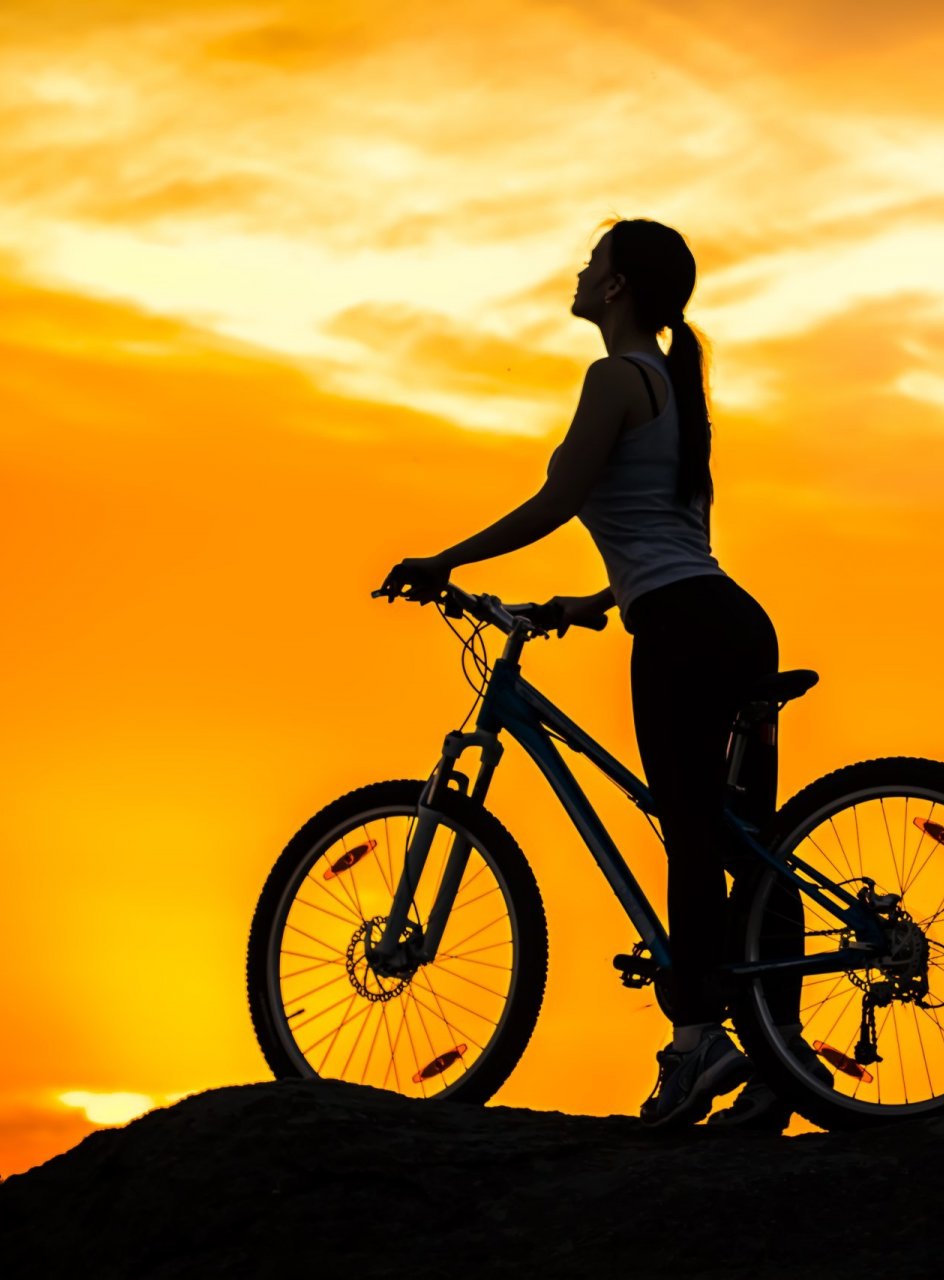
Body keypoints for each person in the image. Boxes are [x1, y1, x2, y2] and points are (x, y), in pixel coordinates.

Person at [379, 218, 811, 1130]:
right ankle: (784, 1061)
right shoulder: (675, 387)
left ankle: (696, 1046)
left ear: (616, 290)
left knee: (695, 836)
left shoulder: (615, 377)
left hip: (683, 631)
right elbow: (668, 535)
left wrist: (445, 561)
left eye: (593, 263)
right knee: (740, 839)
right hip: (723, 620)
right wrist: (598, 601)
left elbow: (560, 499)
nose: (579, 272)